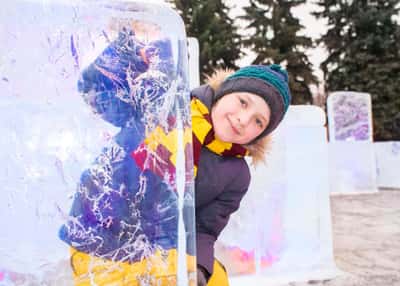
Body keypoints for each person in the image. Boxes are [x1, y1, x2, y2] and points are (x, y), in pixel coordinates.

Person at [59, 24, 291, 286]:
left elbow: (204, 229)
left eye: (258, 122)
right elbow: (97, 95)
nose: (243, 119)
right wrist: (129, 50)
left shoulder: (235, 174)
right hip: (102, 239)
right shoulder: (166, 103)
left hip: (160, 250)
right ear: (224, 93)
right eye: (243, 102)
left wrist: (200, 271)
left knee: (217, 281)